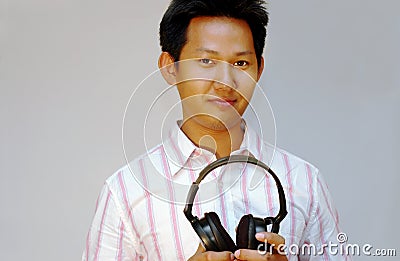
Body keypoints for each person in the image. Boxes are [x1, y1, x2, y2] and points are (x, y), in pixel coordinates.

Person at [83, 0, 348, 260]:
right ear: (169, 67)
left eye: (241, 64)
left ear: (259, 69)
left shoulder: (304, 182)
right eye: (207, 61)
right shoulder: (125, 192)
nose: (225, 82)